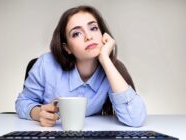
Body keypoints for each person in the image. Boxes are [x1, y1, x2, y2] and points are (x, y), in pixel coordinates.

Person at [15, 5, 147, 127]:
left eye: (93, 28)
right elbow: (23, 102)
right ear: (67, 48)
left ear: (103, 35)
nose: (89, 36)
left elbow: (135, 119)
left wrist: (106, 60)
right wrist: (38, 113)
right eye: (76, 33)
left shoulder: (111, 70)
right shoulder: (46, 65)